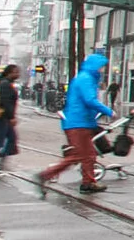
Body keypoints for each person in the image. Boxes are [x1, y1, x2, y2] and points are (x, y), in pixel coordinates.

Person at [37, 51, 112, 195]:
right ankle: (47, 175)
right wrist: (108, 111)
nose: (103, 69)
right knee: (78, 155)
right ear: (95, 66)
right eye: (101, 66)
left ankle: (88, 182)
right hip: (78, 123)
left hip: (81, 122)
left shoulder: (86, 78)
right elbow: (89, 100)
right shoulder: (86, 79)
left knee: (89, 154)